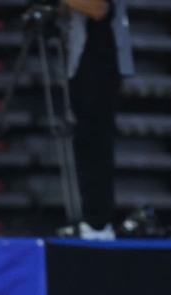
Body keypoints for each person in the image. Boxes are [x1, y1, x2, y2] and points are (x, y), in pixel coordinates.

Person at [63, 0, 134, 240]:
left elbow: (98, 8)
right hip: (81, 57)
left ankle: (98, 223)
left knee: (96, 140)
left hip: (102, 59)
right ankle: (92, 219)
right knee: (85, 141)